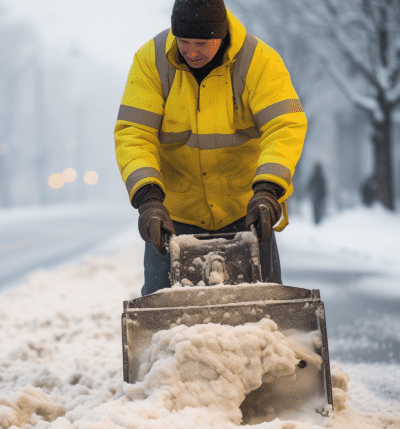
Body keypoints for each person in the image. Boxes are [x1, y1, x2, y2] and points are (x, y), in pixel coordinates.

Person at [115, 0, 307, 295]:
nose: (191, 52)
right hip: (173, 219)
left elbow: (285, 125)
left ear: (222, 33)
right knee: (159, 317)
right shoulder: (151, 61)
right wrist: (148, 199)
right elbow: (134, 133)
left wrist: (268, 191)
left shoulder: (259, 61)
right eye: (183, 41)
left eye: (202, 43)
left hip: (248, 212)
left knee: (263, 311)